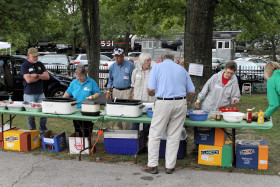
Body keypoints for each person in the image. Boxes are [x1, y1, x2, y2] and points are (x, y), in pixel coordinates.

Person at [142, 49, 195, 174]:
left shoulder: (157, 67)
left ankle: (153, 165)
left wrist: (157, 91)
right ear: (173, 58)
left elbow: (150, 90)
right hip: (180, 103)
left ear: (161, 58)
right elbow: (192, 92)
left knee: (155, 134)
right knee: (174, 135)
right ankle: (170, 166)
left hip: (164, 102)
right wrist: (187, 101)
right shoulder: (182, 69)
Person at [63, 66, 101, 136]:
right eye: (77, 76)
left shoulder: (91, 82)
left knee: (87, 129)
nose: (79, 78)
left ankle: (87, 143)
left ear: (85, 75)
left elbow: (98, 93)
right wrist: (62, 99)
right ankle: (79, 142)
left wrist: (92, 96)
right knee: (77, 128)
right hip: (75, 109)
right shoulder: (74, 83)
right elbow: (68, 92)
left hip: (88, 110)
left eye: (80, 76)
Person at [20, 47, 50, 134]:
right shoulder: (24, 65)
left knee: (44, 112)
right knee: (30, 115)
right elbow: (28, 80)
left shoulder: (40, 64)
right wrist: (41, 76)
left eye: (36, 56)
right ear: (28, 56)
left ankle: (43, 131)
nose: (36, 58)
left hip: (40, 93)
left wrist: (36, 75)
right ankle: (33, 132)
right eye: (33, 57)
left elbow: (47, 77)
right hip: (29, 94)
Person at [106, 48, 135, 130]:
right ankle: (120, 131)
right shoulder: (112, 67)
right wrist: (108, 92)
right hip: (116, 91)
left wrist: (133, 92)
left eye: (118, 56)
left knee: (126, 111)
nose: (116, 58)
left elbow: (133, 80)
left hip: (127, 91)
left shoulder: (130, 65)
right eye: (115, 56)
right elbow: (110, 80)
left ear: (123, 56)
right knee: (117, 111)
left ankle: (127, 132)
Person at [130, 52, 155, 133]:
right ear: (142, 61)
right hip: (138, 102)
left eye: (150, 60)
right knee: (134, 124)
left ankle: (145, 143)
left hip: (150, 102)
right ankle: (133, 142)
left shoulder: (154, 72)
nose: (149, 62)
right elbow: (133, 85)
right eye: (147, 60)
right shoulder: (135, 71)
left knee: (147, 125)